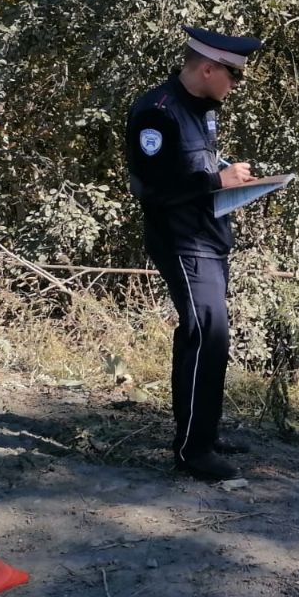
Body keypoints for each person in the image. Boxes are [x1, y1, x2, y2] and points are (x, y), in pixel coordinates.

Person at [125, 26, 263, 481]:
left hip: (209, 238)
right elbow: (154, 190)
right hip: (183, 242)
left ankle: (202, 431)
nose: (236, 86)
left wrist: (225, 174)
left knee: (202, 337)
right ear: (207, 68)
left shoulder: (201, 109)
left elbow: (194, 166)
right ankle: (194, 450)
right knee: (208, 335)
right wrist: (216, 182)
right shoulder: (156, 113)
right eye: (234, 76)